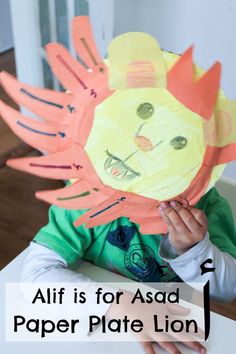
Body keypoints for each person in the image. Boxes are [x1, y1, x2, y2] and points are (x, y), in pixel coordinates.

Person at [21, 184, 236, 354]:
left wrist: (195, 249)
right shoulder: (86, 196)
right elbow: (35, 274)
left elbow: (227, 290)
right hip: (105, 330)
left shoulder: (207, 205)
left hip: (174, 329)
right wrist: (120, 305)